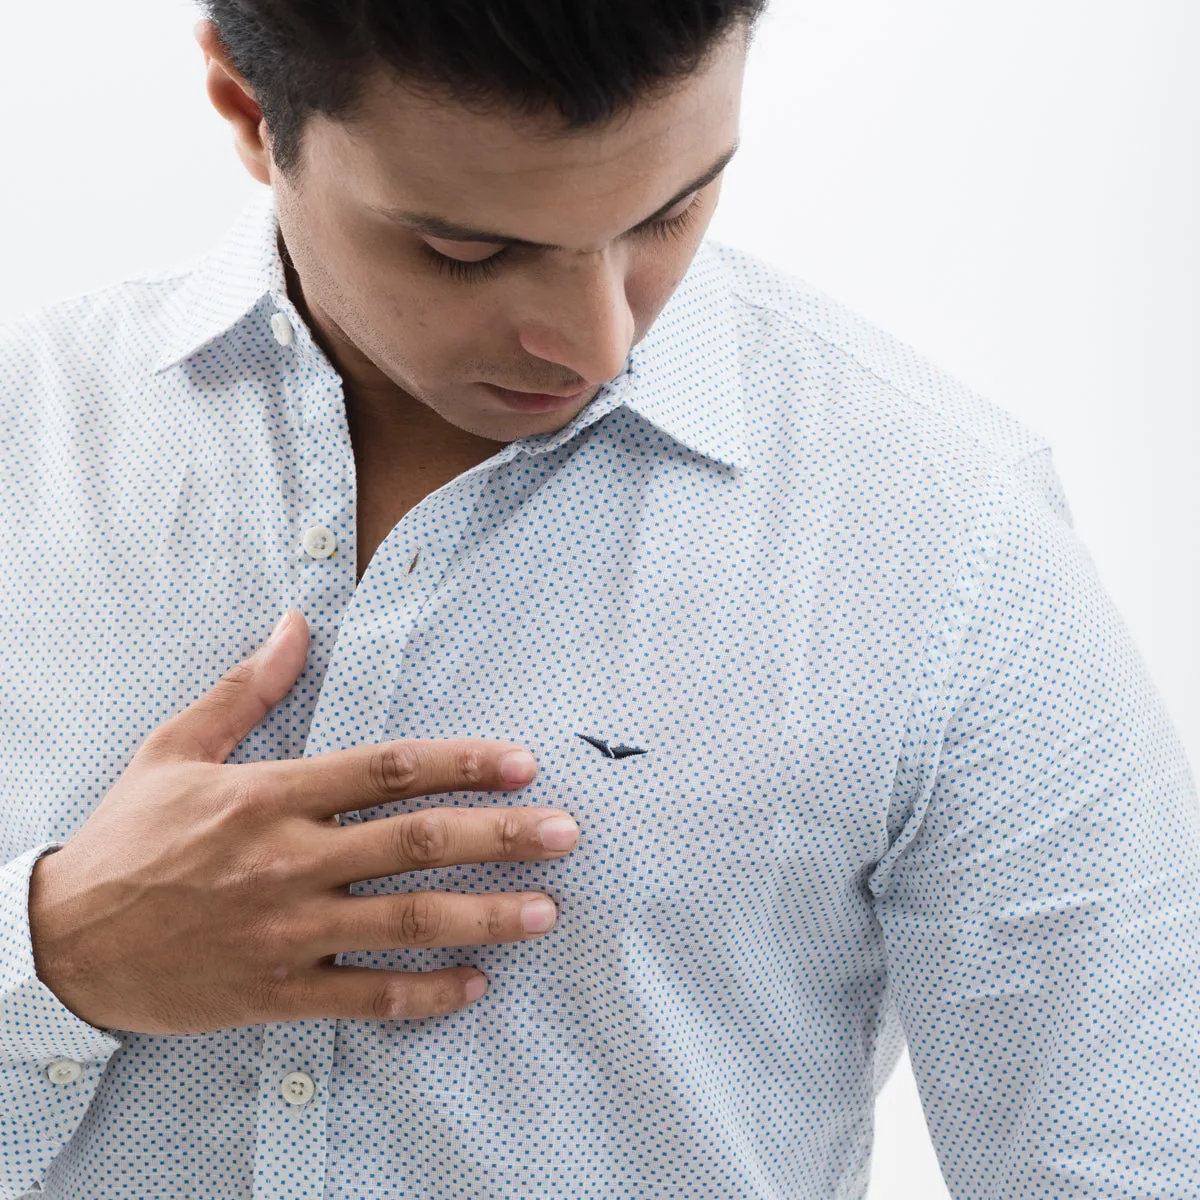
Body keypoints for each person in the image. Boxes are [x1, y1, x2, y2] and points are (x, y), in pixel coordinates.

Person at [1, 1, 1196, 1196]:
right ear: (249, 110)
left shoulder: (946, 538)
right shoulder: (26, 448)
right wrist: (52, 957)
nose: (598, 341)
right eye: (469, 252)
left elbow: (1128, 1157)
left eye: (669, 212)